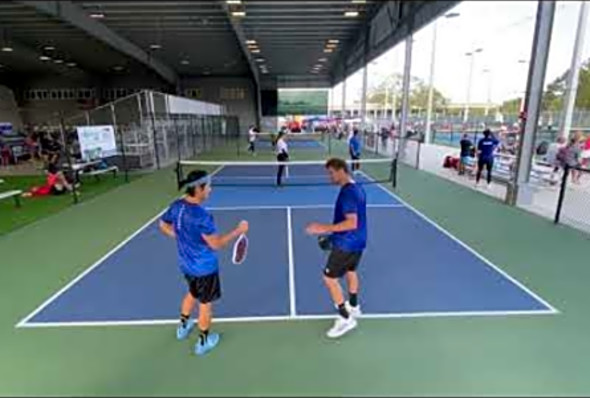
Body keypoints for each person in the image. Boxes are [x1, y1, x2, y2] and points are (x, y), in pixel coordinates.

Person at [159, 170, 249, 356]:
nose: (210, 190)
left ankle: (183, 326)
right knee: (205, 303)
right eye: (208, 187)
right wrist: (238, 230)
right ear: (198, 189)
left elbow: (163, 224)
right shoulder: (201, 216)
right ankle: (203, 341)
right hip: (205, 268)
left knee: (192, 292)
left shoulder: (177, 206)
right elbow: (216, 244)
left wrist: (182, 238)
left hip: (186, 265)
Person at [305, 158, 367, 339]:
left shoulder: (348, 193)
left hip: (346, 243)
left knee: (329, 278)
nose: (329, 176)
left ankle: (345, 318)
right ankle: (354, 307)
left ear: (341, 170)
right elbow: (357, 221)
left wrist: (323, 228)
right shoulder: (358, 187)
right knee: (350, 270)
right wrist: (333, 237)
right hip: (359, 241)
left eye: (331, 172)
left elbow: (351, 222)